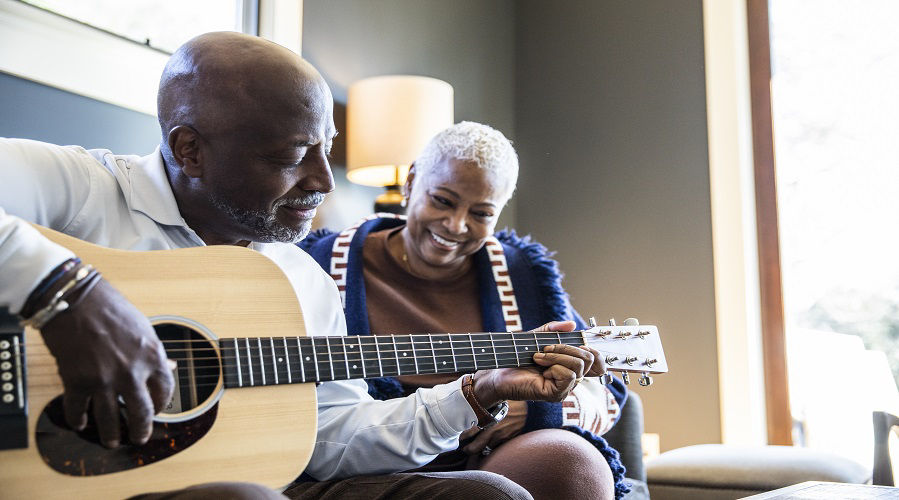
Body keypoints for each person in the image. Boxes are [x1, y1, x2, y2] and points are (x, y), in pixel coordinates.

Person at [0, 33, 605, 499]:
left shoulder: (299, 279)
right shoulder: (80, 188)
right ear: (190, 149)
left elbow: (333, 441)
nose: (320, 182)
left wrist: (478, 390)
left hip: (236, 481)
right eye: (293, 156)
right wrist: (69, 296)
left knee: (490, 495)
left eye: (327, 150)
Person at [300, 122, 631, 500]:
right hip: (369, 458)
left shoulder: (522, 272)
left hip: (484, 456)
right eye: (442, 200)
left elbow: (604, 390)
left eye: (481, 213)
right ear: (410, 183)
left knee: (573, 465)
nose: (456, 225)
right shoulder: (321, 263)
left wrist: (536, 412)